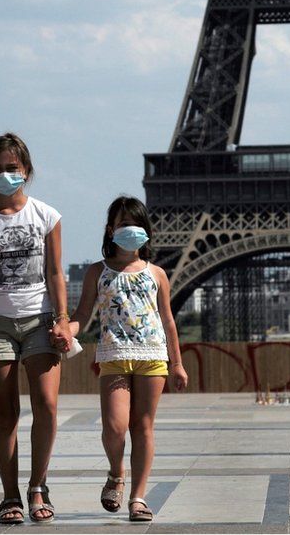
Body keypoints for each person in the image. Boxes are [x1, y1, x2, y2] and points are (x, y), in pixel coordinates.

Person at [0, 133, 70, 524]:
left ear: (26, 170)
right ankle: (10, 495)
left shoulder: (47, 216)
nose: (5, 174)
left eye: (12, 168)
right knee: (5, 413)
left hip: (40, 318)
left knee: (46, 405)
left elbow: (56, 272)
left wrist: (62, 317)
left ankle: (38, 485)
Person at [65, 196, 188, 523]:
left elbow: (167, 320)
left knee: (144, 426)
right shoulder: (97, 271)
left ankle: (138, 496)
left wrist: (177, 363)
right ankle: (117, 472)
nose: (130, 231)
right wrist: (68, 328)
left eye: (136, 225)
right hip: (115, 355)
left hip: (152, 356)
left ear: (146, 232)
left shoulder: (157, 273)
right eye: (123, 224)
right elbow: (83, 313)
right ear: (110, 230)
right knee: (115, 427)